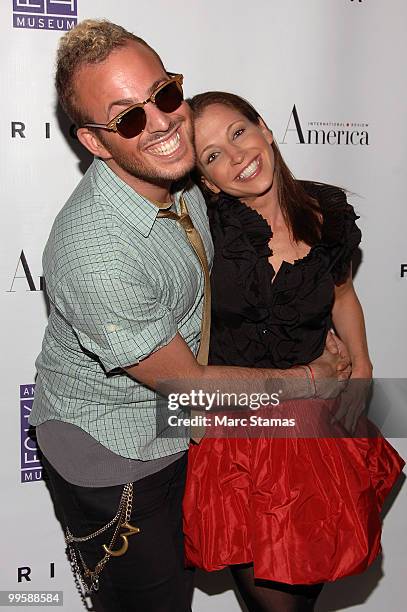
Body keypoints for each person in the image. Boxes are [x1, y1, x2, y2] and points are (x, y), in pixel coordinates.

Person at [29, 21, 351, 612]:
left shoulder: (181, 180)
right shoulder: (95, 252)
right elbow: (190, 387)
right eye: (129, 118)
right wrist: (311, 382)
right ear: (96, 143)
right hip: (118, 449)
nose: (162, 122)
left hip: (198, 426)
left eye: (166, 94)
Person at [182, 91, 405, 612]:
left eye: (238, 132)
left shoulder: (324, 210)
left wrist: (363, 368)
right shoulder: (205, 234)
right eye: (212, 155)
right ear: (206, 180)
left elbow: (344, 295)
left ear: (264, 126)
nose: (235, 157)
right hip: (237, 437)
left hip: (317, 435)